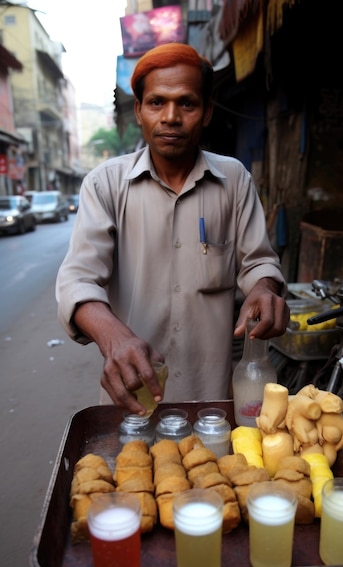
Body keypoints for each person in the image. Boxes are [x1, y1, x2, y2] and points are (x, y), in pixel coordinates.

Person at [56, 42, 290, 416]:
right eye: (156, 102)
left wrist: (264, 289)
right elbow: (77, 281)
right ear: (138, 111)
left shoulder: (234, 180)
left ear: (207, 111)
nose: (170, 117)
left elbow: (259, 263)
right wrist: (113, 338)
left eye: (187, 103)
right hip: (133, 400)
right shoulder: (105, 185)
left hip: (211, 399)